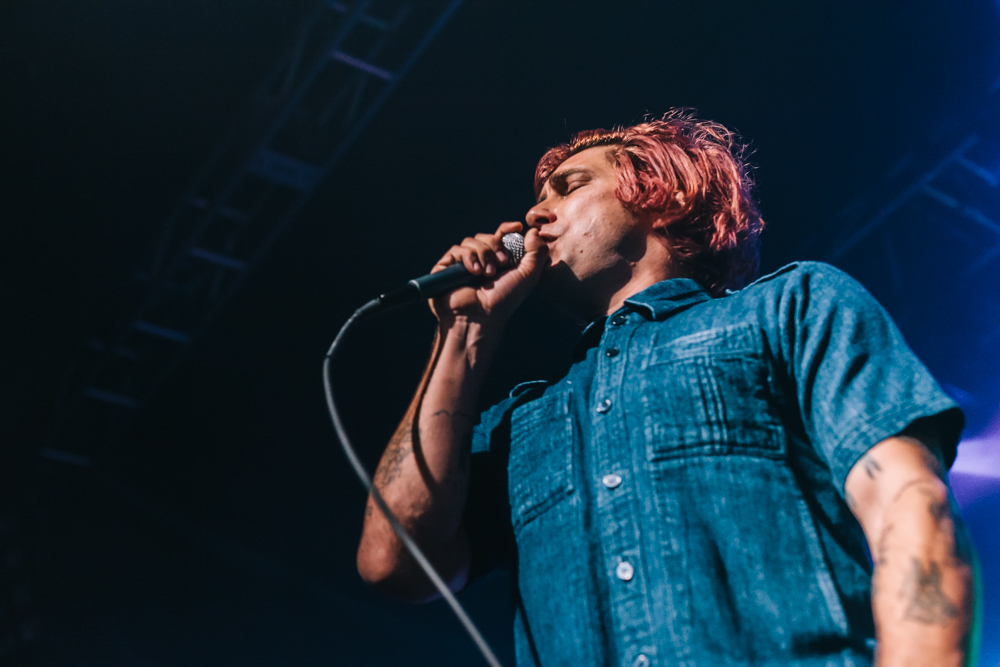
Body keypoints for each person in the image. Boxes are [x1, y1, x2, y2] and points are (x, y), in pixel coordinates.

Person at [355, 110, 975, 666]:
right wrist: (464, 334)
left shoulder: (791, 305)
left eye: (570, 187)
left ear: (664, 196)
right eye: (539, 198)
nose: (534, 216)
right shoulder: (521, 423)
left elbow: (908, 503)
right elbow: (393, 563)